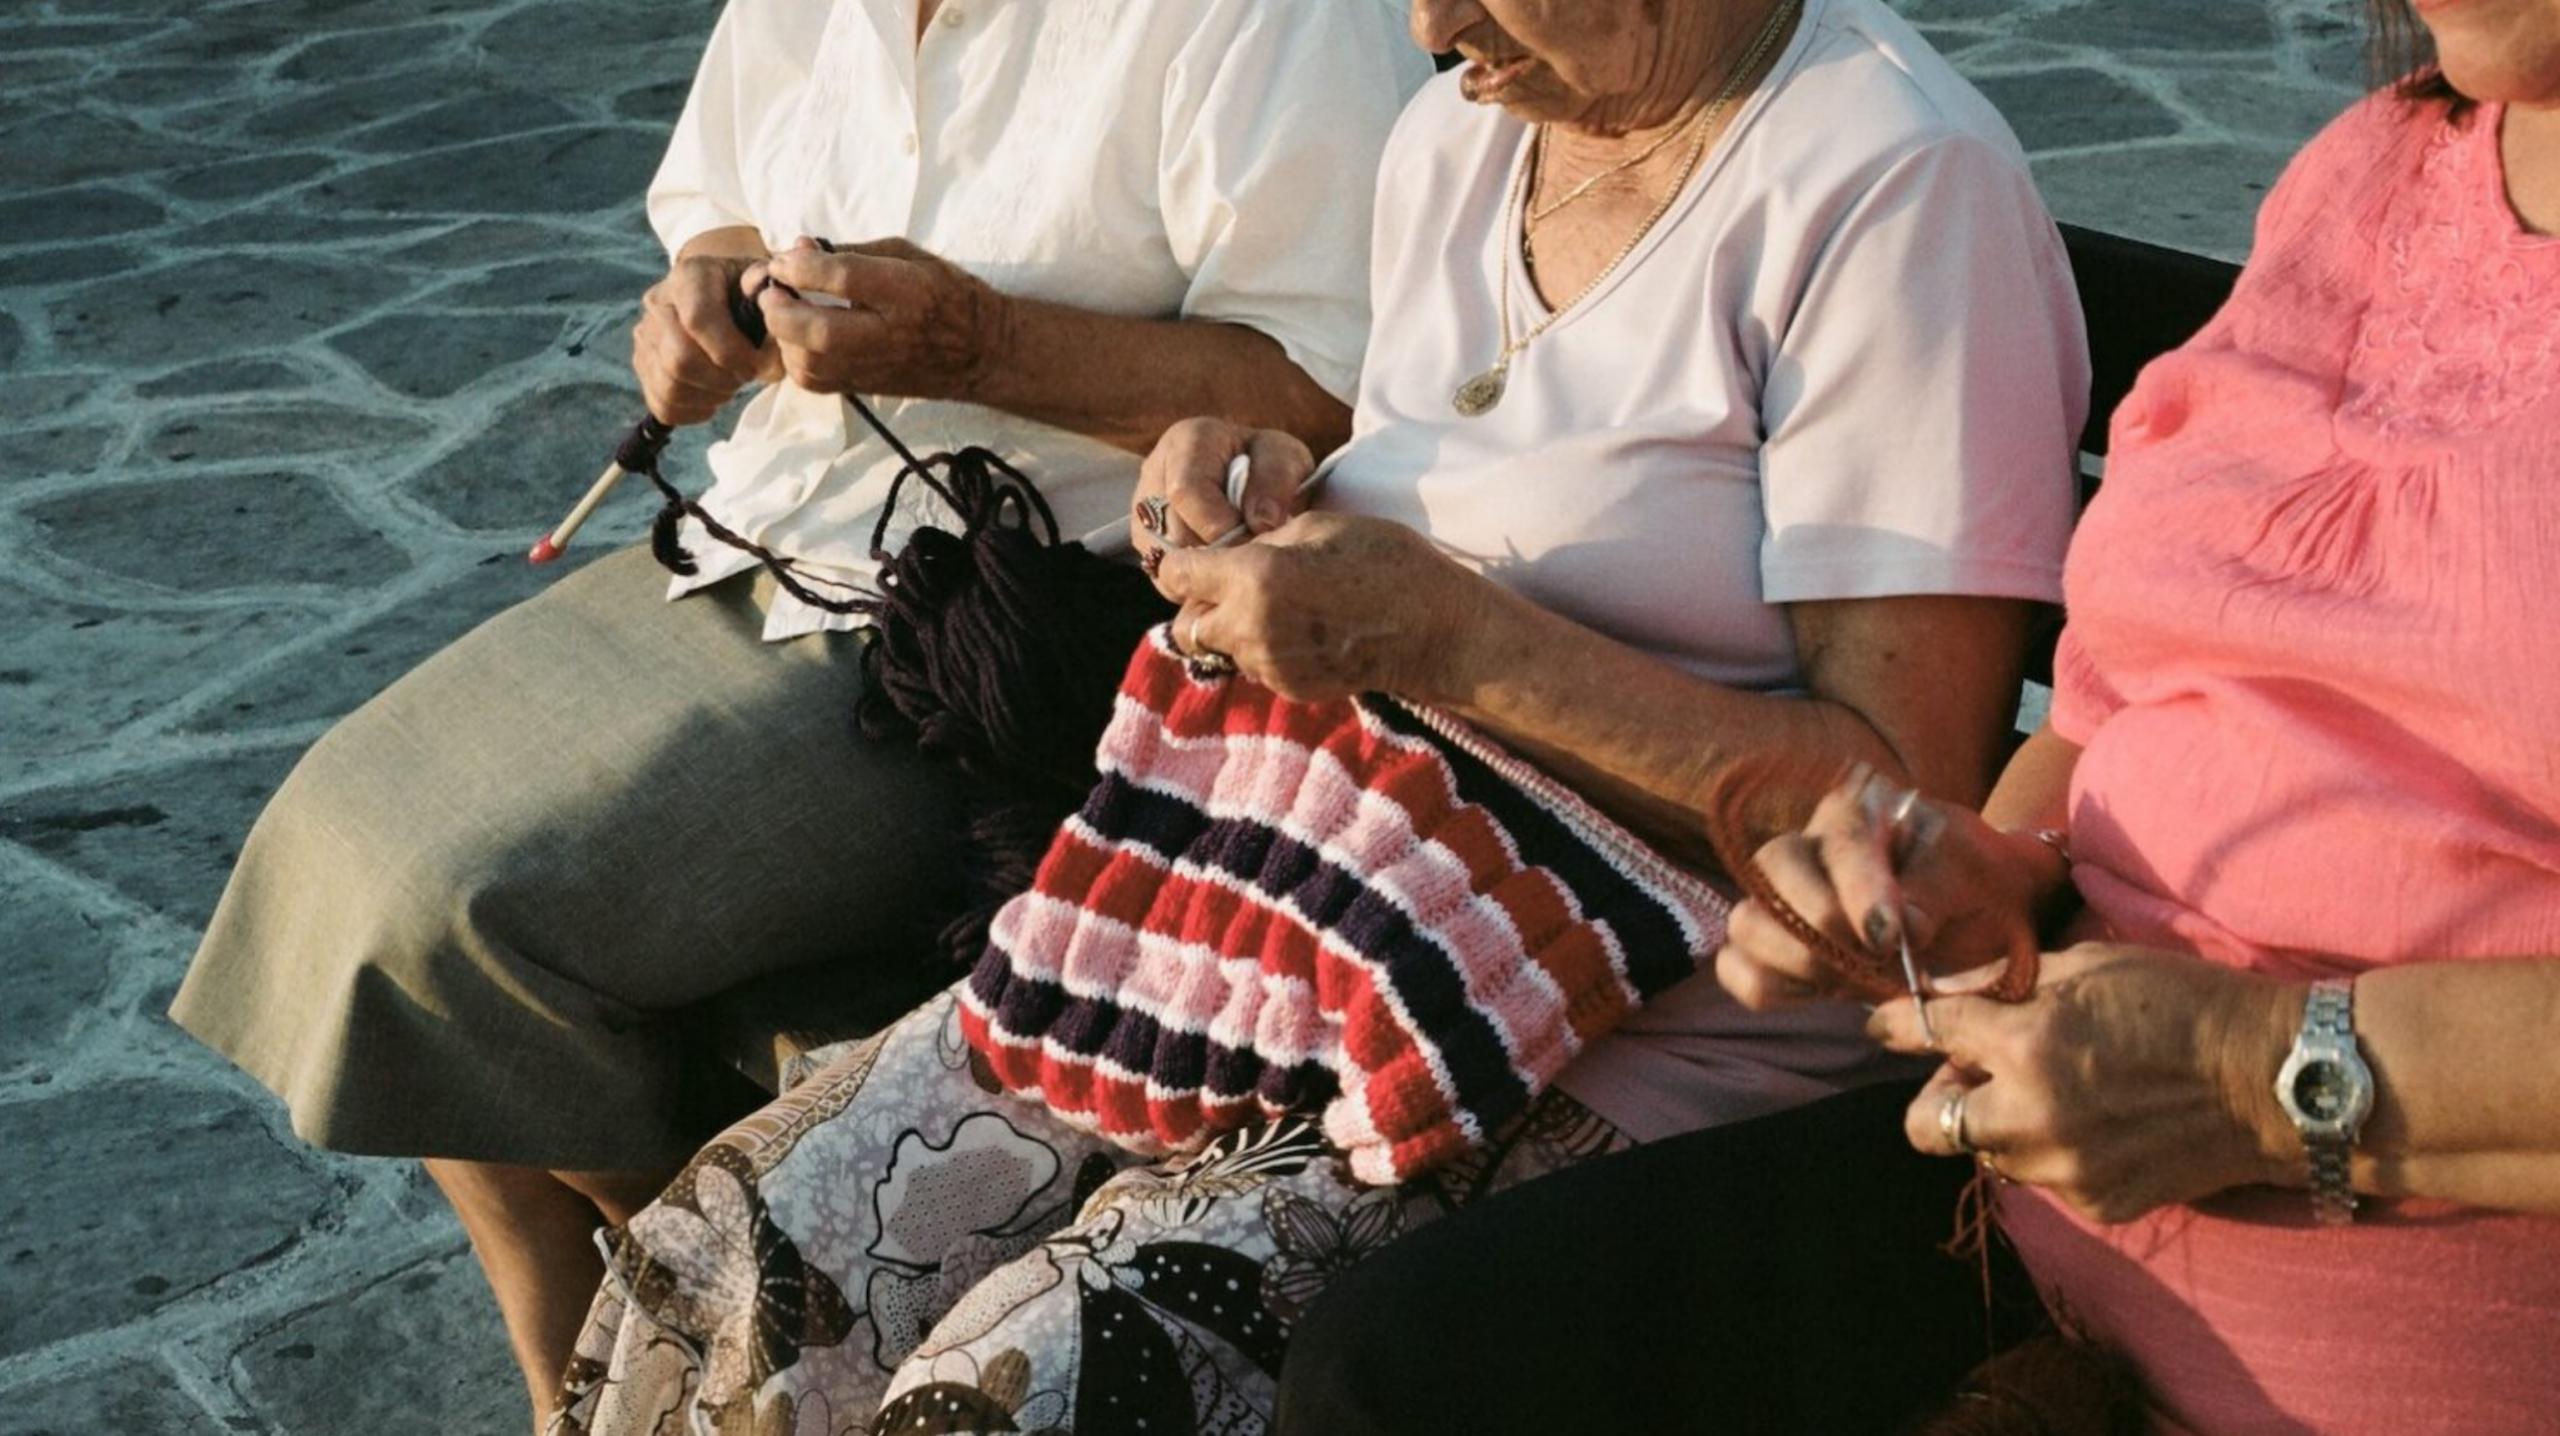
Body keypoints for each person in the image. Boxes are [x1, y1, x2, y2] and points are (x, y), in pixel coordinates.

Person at [548, 0, 2089, 1429]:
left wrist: (1455, 643)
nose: (1429, 26)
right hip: (1294, 925)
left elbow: (1900, 821)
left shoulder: (1896, 188)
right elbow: (1438, 491)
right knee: (731, 1254)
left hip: (1626, 1040)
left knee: (1007, 1391)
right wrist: (1257, 493)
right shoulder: (1467, 136)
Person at [1281, 2, 2560, 1432]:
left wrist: (2267, 1074)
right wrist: (1964, 875)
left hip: (2397, 1345)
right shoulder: (2374, 171)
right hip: (2032, 1236)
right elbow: (2114, 699)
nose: (1427, 23)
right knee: (1400, 1367)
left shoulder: (1890, 167)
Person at [167, 1, 1430, 1426]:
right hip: (771, 543)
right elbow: (722, 216)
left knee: (454, 910)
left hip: (1021, 629)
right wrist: (701, 303)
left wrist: (979, 347)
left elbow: (1330, 390)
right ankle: (577, 1353)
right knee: (341, 825)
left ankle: (713, 1330)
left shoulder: (1271, 18)